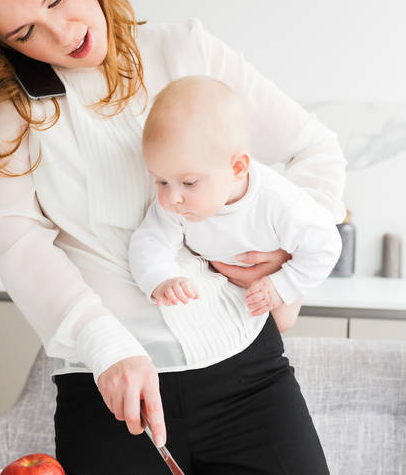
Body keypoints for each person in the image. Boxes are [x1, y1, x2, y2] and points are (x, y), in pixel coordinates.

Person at [0, 0, 346, 475]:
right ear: (1, 47)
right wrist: (106, 345)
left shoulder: (185, 49)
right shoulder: (3, 117)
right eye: (27, 31)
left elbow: (314, 149)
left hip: (249, 376)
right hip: (113, 394)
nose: (63, 32)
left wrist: (286, 260)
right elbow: (19, 246)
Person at [128, 75, 342, 332]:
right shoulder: (177, 201)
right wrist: (162, 278)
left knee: (280, 322)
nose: (172, 198)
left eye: (189, 183)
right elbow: (151, 241)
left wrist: (281, 285)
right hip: (218, 281)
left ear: (237, 168)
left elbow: (326, 246)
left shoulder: (279, 202)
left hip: (271, 274)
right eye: (161, 182)